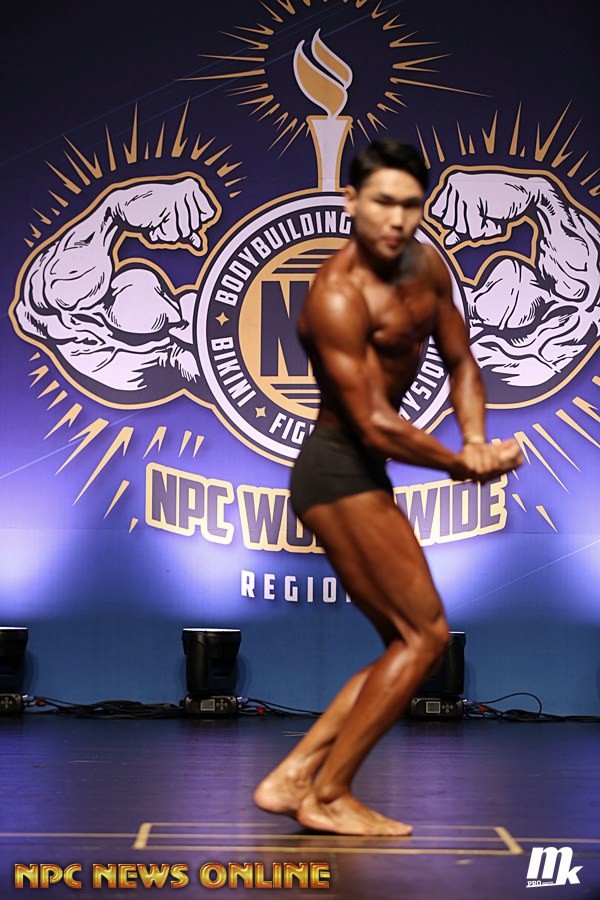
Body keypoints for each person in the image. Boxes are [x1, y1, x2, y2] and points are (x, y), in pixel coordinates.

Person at [253, 139, 523, 836]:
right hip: (336, 470)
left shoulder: (426, 268)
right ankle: (329, 794)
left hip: (363, 472)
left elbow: (462, 361)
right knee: (427, 636)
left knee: (405, 643)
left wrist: (474, 437)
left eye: (411, 205)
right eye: (382, 203)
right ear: (351, 201)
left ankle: (294, 777)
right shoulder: (336, 296)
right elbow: (373, 421)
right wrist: (462, 464)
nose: (397, 219)